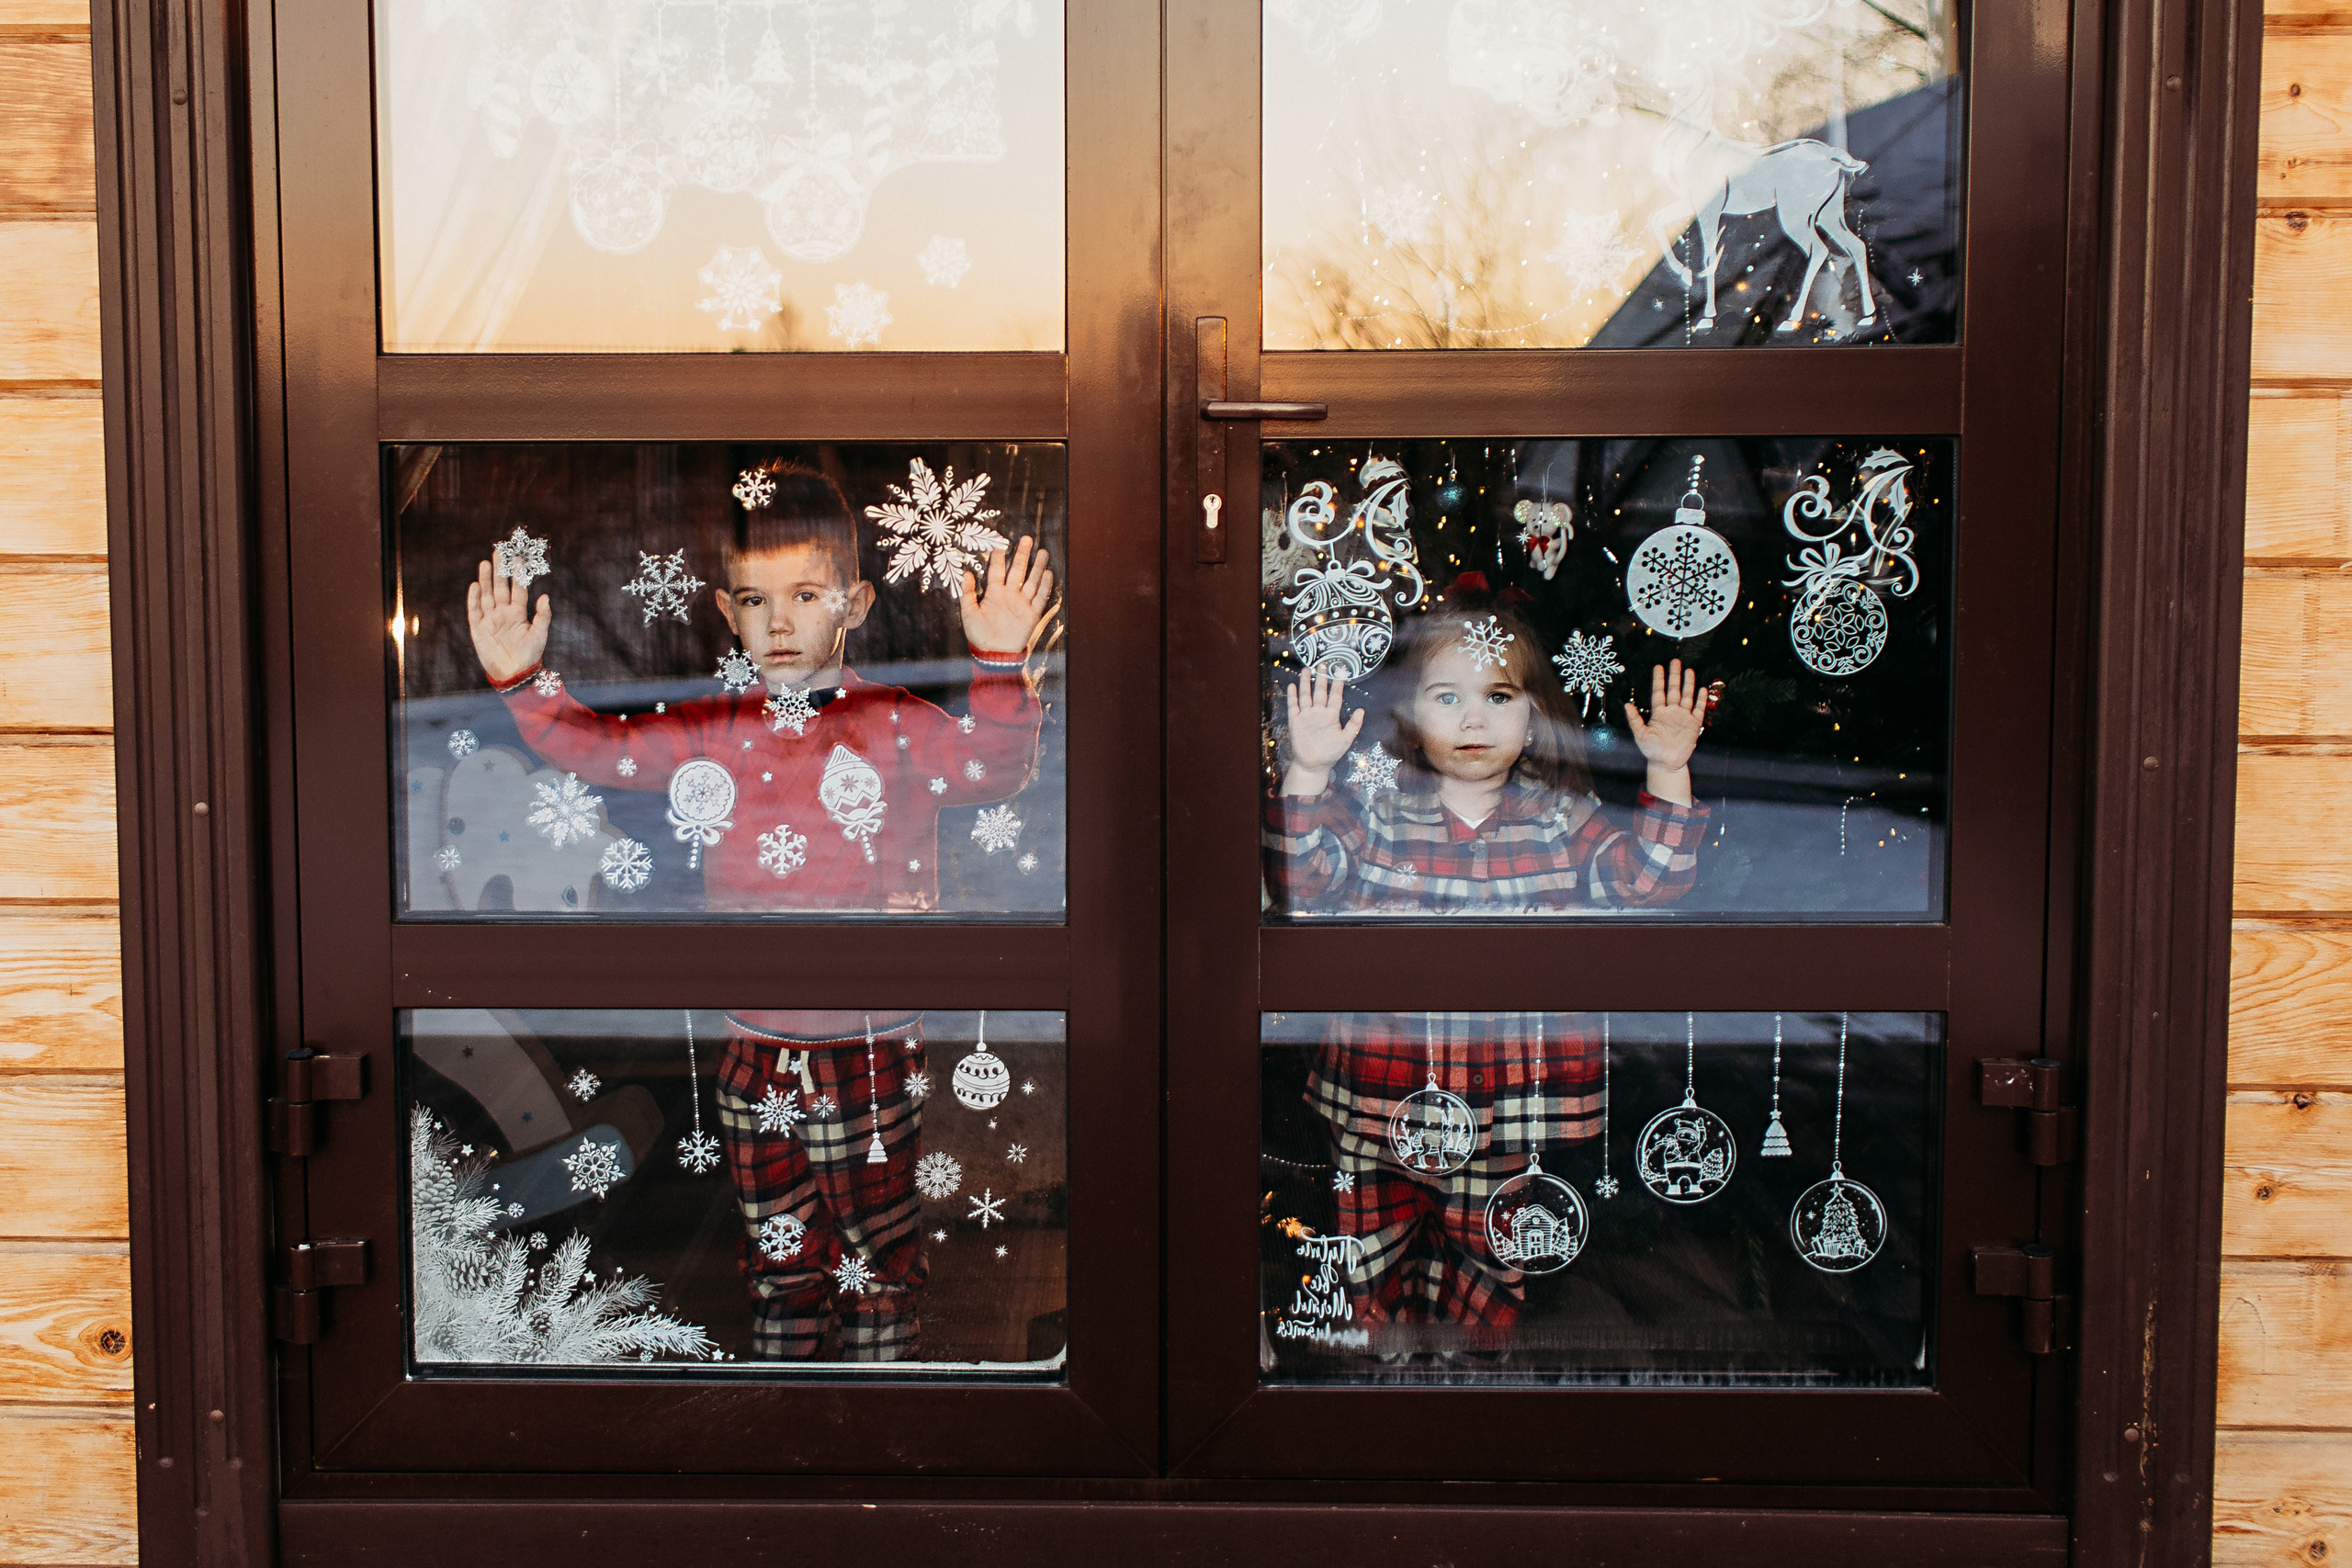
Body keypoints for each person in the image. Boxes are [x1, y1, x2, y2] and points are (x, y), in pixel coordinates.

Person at [466, 459, 1056, 1360]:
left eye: (805, 593)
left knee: (878, 1262)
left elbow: (994, 770)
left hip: (870, 1049)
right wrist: (522, 684)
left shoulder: (894, 725)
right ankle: (793, 1410)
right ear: (724, 610)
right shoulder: (715, 731)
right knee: (779, 1259)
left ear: (855, 604)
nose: (778, 622)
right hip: (754, 1055)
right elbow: (601, 754)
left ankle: (875, 1412)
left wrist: (999, 663)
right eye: (753, 600)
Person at [1263, 593, 1710, 1339]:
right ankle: (1375, 1377)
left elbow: (1649, 881)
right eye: (1448, 698)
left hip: (1508, 1108)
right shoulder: (1378, 815)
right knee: (1368, 1259)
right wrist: (1308, 769)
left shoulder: (1562, 819)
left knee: (1491, 1259)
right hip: (1383, 1100)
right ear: (1409, 716)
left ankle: (1470, 1377)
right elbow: (1302, 882)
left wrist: (1668, 770)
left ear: (1532, 718)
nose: (1474, 720)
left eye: (1498, 698)